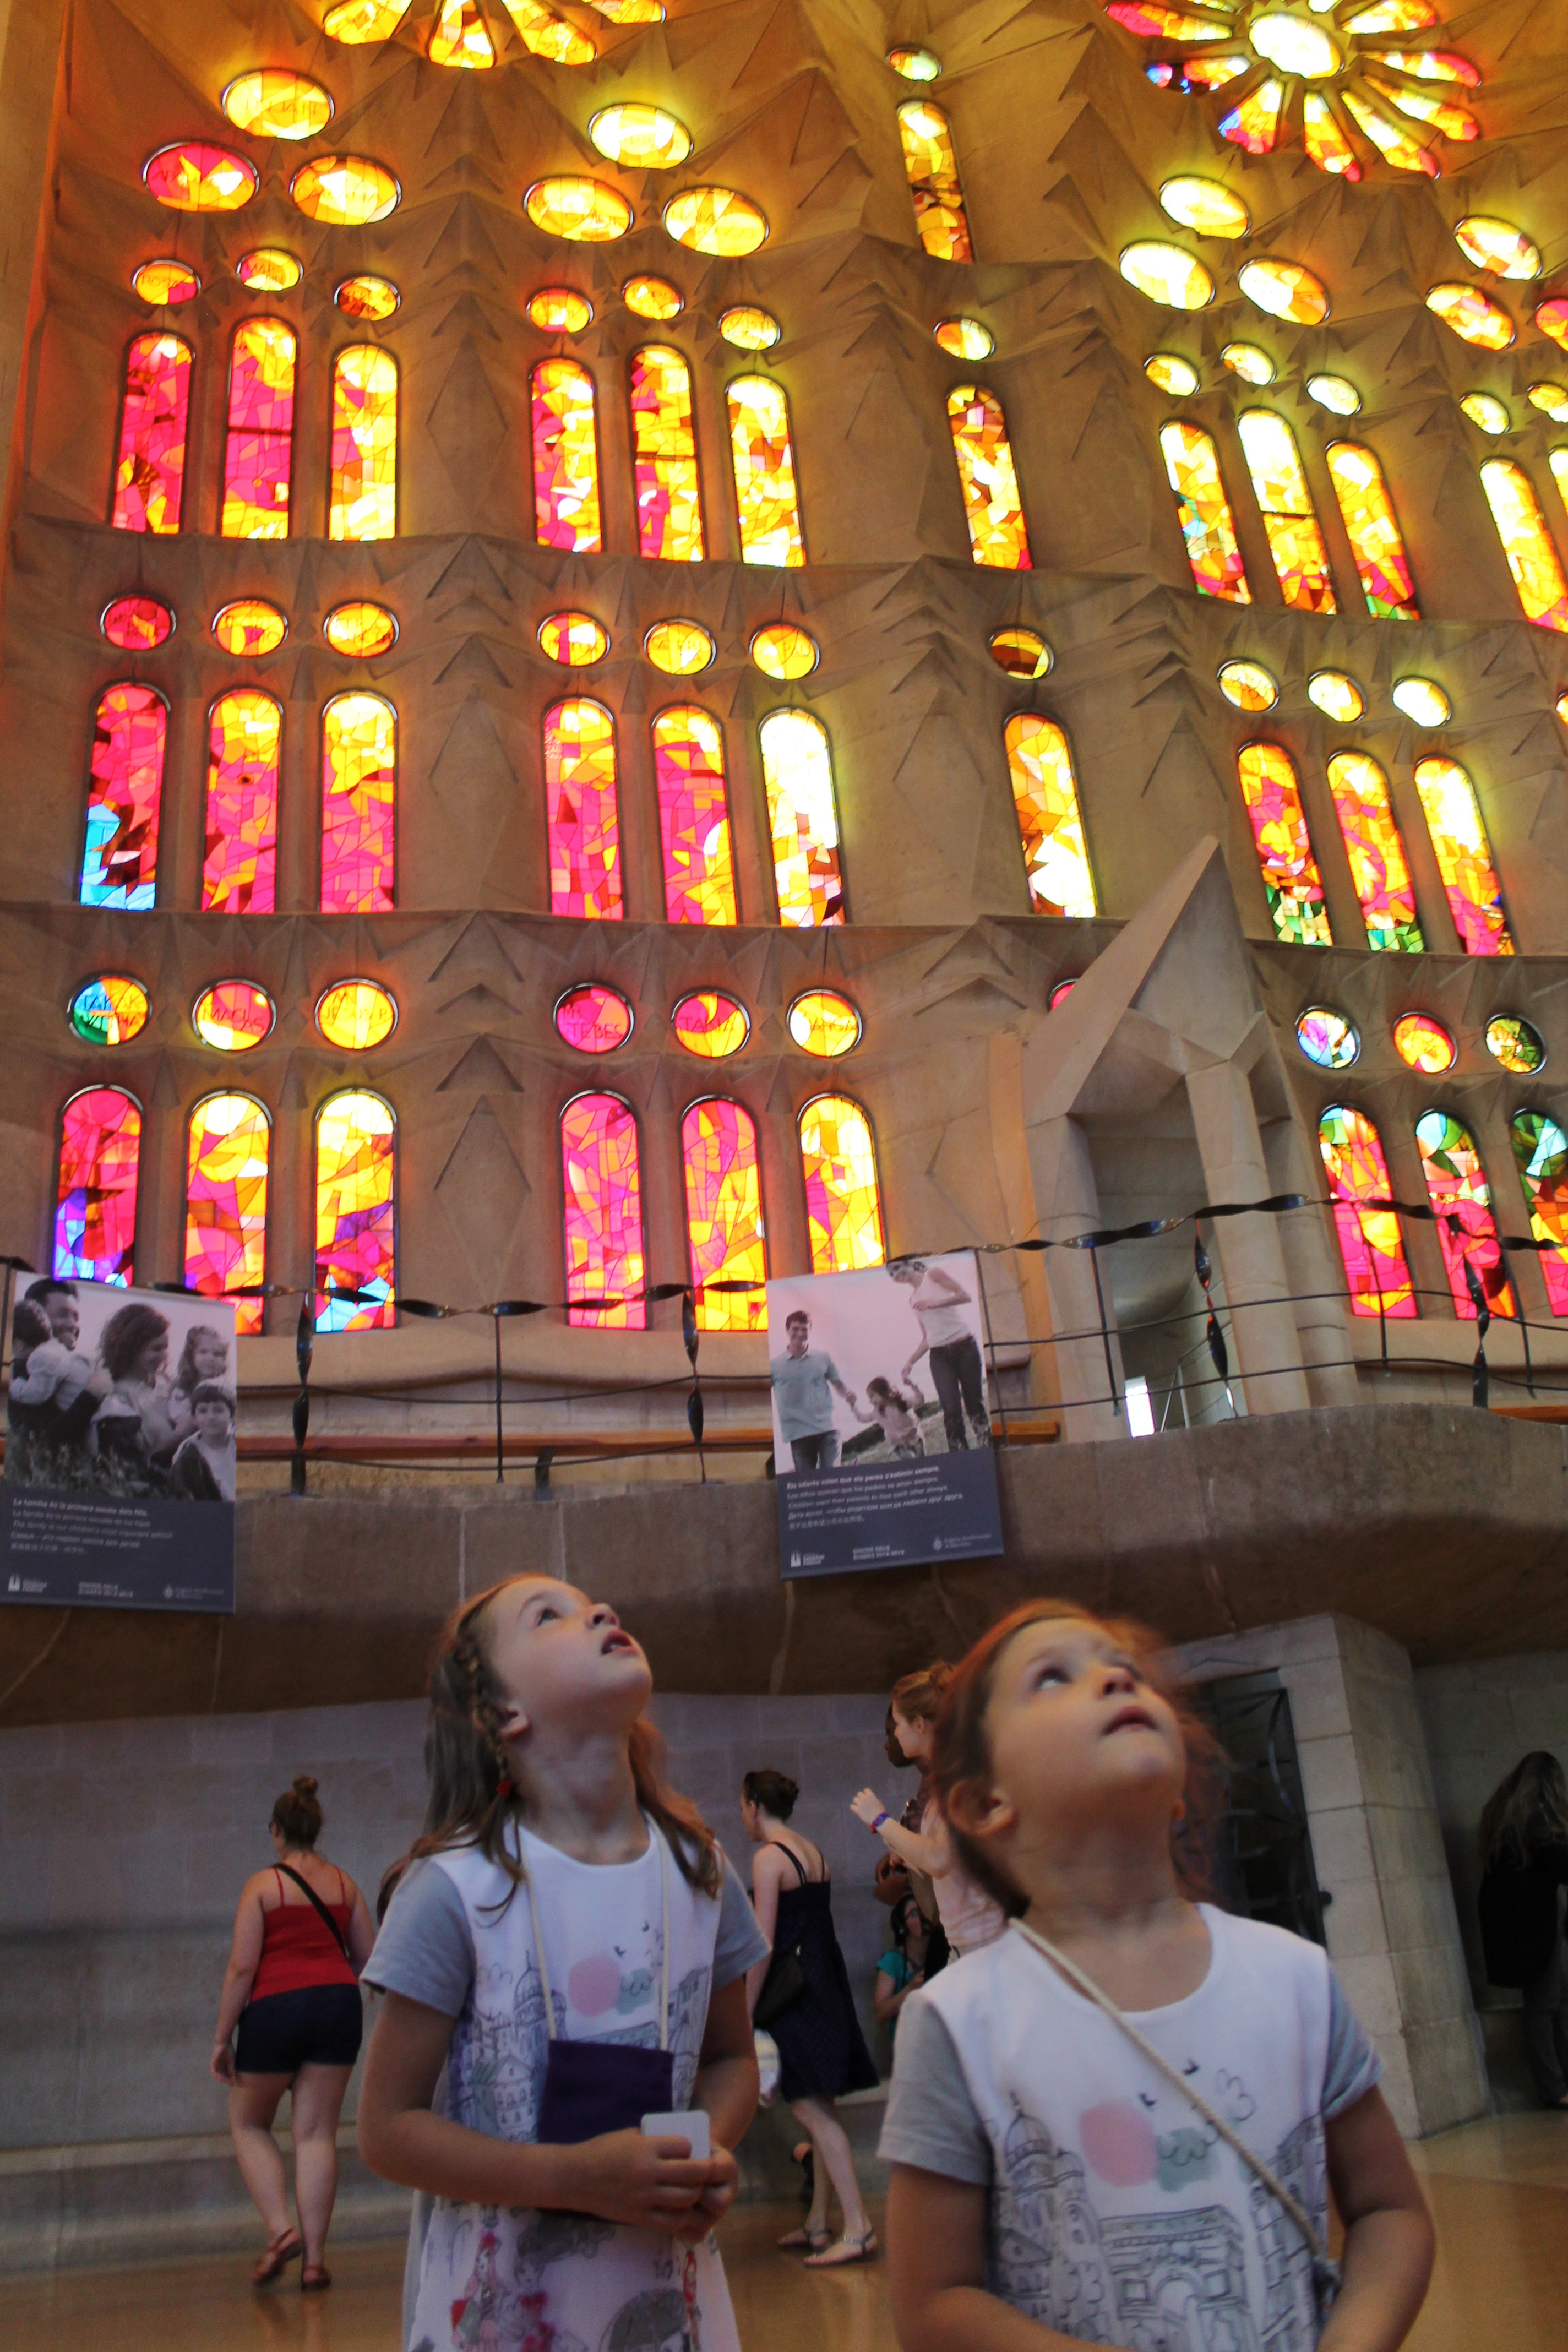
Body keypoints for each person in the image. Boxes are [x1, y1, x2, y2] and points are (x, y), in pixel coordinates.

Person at [880, 1599, 1435, 2352]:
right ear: (985, 1802)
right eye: (1052, 1678)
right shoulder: (958, 2021)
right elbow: (934, 2302)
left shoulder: (1295, 1978)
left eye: (1129, 1671)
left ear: (1177, 1792)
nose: (1115, 1679)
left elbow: (1388, 2212)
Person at [357, 1574, 767, 2352]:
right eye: (550, 1617)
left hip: (666, 2304)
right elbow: (386, 2129)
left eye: (593, 1605)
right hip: (501, 2320)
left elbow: (730, 2059)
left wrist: (701, 2154)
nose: (603, 1611)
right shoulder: (453, 1890)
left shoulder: (702, 1873)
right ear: (503, 1712)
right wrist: (571, 2178)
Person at [211, 1776, 377, 2291]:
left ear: (277, 1831)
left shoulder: (264, 1886)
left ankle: (282, 2230)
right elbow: (369, 1959)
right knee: (316, 2134)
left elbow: (242, 1967)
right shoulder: (345, 1885)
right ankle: (315, 2264)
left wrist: (221, 2038)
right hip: (338, 2006)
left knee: (248, 2123)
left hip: (276, 2008)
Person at [741, 1767, 880, 2267]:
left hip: (794, 1997)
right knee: (822, 2107)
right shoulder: (812, 1852)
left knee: (810, 2110)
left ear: (755, 1806)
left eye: (742, 1805)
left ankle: (859, 2227)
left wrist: (746, 2010)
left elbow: (764, 1943)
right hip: (825, 1985)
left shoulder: (768, 1858)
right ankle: (819, 2221)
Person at [852, 1664, 1006, 1960]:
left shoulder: (958, 1778)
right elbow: (948, 1860)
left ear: (920, 1725)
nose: (896, 1733)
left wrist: (881, 1820)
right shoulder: (947, 1777)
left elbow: (939, 1859)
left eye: (898, 1723)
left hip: (987, 1944)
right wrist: (902, 1849)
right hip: (968, 1943)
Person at [1477, 1750, 1568, 2108]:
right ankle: (1554, 2089)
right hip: (1534, 1927)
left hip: (1514, 1926)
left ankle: (1559, 2084)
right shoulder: (1538, 1820)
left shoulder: (1504, 1818)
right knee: (1546, 2004)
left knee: (1554, 2001)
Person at [890, 1260, 991, 1453]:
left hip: (965, 1347)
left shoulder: (933, 1275)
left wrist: (934, 1304)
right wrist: (910, 1362)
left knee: (974, 1404)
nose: (895, 1275)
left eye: (897, 1268)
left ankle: (986, 1449)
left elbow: (965, 1296)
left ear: (909, 1264)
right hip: (940, 1356)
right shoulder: (912, 1301)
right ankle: (960, 1458)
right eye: (891, 1274)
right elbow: (927, 1338)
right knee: (951, 1410)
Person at [90, 1300, 178, 1466]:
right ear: (132, 1348)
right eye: (155, 1349)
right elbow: (136, 1460)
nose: (162, 1356)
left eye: (165, 1348)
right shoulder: (118, 1395)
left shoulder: (165, 1383)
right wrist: (180, 1436)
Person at [770, 1308, 857, 1474]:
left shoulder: (823, 1358)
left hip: (828, 1428)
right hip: (798, 1434)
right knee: (806, 1483)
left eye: (805, 1329)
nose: (800, 1334)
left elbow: (838, 1384)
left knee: (831, 1478)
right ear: (787, 1330)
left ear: (810, 1331)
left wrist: (847, 1394)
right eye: (795, 1329)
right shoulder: (775, 1366)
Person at [874, 1894, 930, 2042]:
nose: (923, 1917)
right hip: (906, 2042)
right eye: (915, 1913)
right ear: (902, 1926)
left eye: (925, 1910)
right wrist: (911, 1989)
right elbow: (880, 2014)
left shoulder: (943, 1955)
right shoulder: (892, 1961)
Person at [168, 1382, 238, 1501]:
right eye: (203, 1411)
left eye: (218, 1410)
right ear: (194, 1418)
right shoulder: (188, 1458)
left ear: (232, 1415)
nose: (211, 1417)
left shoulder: (242, 1447)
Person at [168, 1322, 232, 1445]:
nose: (210, 1358)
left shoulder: (226, 1389)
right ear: (191, 1356)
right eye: (203, 1352)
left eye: (217, 1354)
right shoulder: (181, 1390)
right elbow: (177, 1421)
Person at [853, 1375, 927, 1458]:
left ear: (882, 1392)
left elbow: (920, 1401)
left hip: (915, 1439)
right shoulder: (877, 1412)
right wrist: (853, 1406)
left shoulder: (902, 1401)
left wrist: (912, 1385)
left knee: (923, 1463)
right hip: (899, 1445)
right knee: (910, 1462)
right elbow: (862, 1418)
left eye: (872, 1396)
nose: (870, 1401)